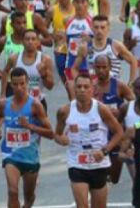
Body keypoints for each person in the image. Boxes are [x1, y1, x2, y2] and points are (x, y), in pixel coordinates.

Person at [54, 74, 124, 208]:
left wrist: (104, 151)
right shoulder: (65, 111)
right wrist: (61, 139)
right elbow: (56, 134)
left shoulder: (101, 109)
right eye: (79, 86)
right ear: (74, 89)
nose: (82, 90)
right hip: (77, 163)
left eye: (86, 87)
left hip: (99, 164)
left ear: (92, 90)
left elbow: (119, 132)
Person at [0, 67, 54, 208]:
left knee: (29, 196)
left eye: (22, 83)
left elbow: (51, 133)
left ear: (27, 83)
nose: (19, 87)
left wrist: (30, 126)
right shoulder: (4, 104)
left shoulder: (35, 105)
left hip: (30, 156)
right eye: (15, 84)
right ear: (11, 84)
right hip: (10, 154)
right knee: (12, 191)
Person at [0, 30, 56, 109]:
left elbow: (50, 86)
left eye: (33, 39)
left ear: (38, 42)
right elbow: (5, 72)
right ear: (22, 42)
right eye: (27, 39)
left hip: (38, 102)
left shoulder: (45, 59)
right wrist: (3, 94)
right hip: (19, 102)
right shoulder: (14, 58)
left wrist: (43, 75)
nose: (30, 42)